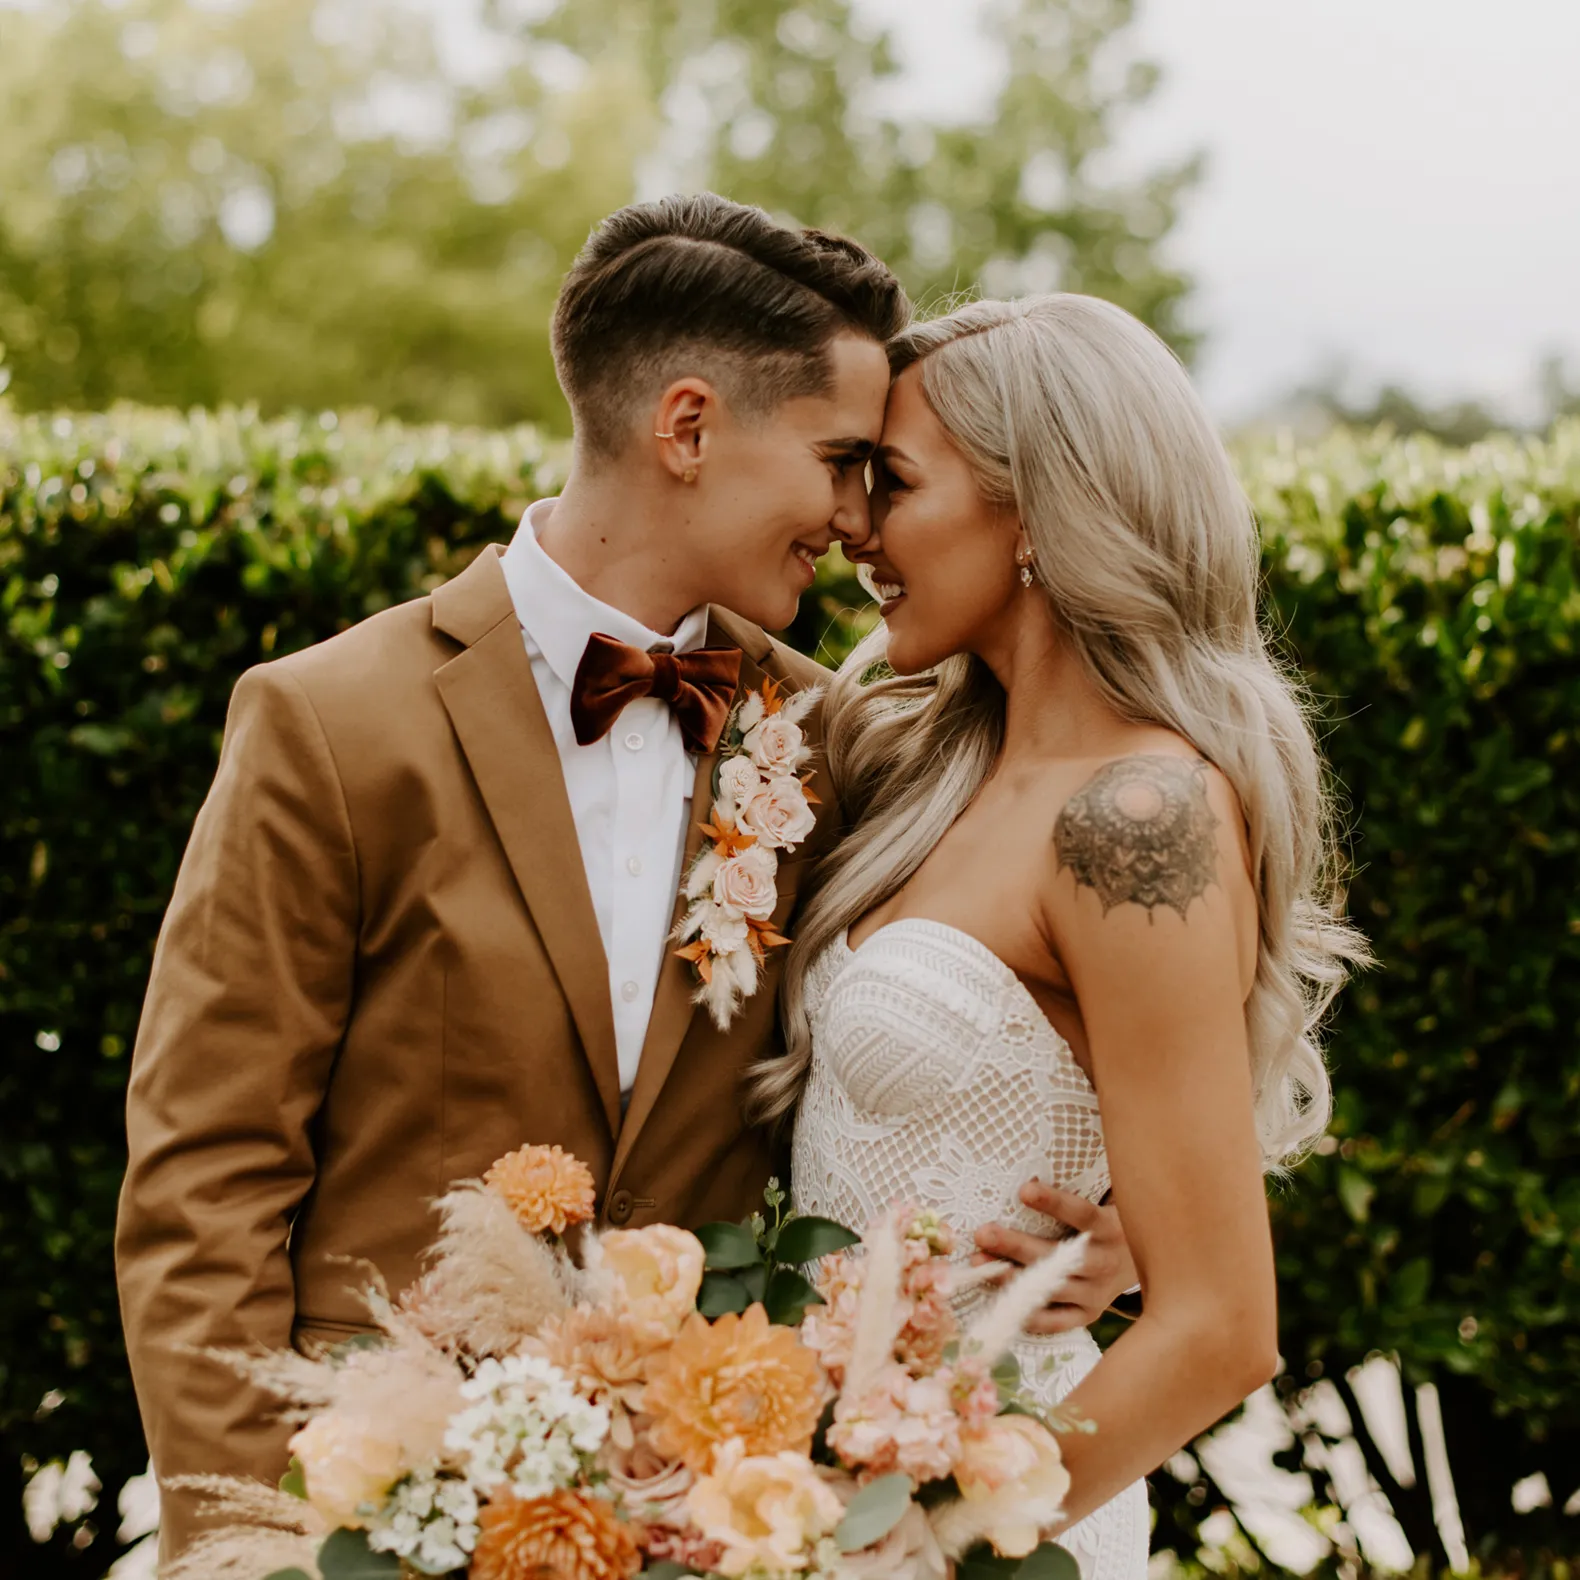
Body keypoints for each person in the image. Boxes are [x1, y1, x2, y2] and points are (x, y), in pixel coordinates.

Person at [114, 197, 1138, 1564]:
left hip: (716, 1518)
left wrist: (1134, 1217)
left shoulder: (839, 742)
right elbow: (204, 1181)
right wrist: (247, 1539)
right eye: (840, 460)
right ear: (689, 427)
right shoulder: (329, 724)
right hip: (382, 1514)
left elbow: (1055, 964)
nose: (853, 518)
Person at [772, 295, 1369, 1577]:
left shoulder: (1137, 816)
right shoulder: (919, 764)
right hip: (813, 1481)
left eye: (894, 482)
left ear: (1036, 508)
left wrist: (930, 1542)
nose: (854, 529)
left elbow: (1216, 1322)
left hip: (978, 1521)